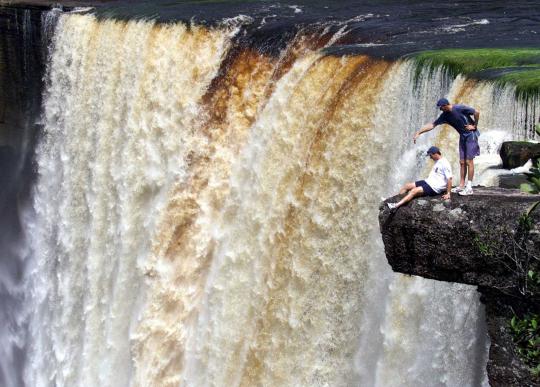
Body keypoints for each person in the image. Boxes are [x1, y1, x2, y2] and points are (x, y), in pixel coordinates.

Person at [413, 98, 480, 195]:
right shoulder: (445, 116)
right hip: (462, 136)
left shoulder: (459, 108)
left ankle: (469, 187)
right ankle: (461, 185)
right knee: (462, 162)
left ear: (445, 105)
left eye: (441, 108)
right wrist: (419, 132)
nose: (440, 110)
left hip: (471, 135)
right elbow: (432, 125)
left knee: (469, 161)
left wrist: (475, 126)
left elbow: (476, 112)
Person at [387, 146, 452, 210]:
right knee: (407, 186)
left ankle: (395, 206)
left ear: (435, 153)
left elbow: (449, 178)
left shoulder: (445, 163)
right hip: (429, 181)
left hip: (435, 187)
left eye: (430, 155)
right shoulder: (437, 161)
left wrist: (448, 193)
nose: (430, 157)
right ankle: (396, 200)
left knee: (414, 191)